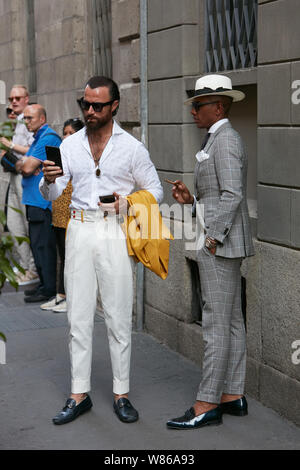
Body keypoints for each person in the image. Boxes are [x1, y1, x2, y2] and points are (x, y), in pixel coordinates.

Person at [40, 76, 163, 425]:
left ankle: (121, 393)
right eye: (85, 104)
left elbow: (156, 190)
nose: (90, 111)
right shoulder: (69, 145)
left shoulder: (132, 147)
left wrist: (127, 203)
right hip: (78, 228)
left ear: (114, 106)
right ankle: (79, 394)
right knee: (77, 315)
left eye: (97, 106)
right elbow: (53, 195)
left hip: (113, 230)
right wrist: (49, 180)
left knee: (118, 316)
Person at [166, 74, 254, 430]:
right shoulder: (217, 138)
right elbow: (219, 195)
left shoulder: (226, 140)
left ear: (218, 106)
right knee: (231, 321)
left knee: (216, 324)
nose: (192, 112)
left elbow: (233, 195)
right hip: (221, 241)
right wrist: (191, 200)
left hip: (219, 244)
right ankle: (233, 395)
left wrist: (212, 238)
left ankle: (206, 404)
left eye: (198, 106)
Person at [15, 104, 61, 303]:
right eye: (24, 118)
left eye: (30, 118)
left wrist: (25, 165)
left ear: (42, 118)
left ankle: (49, 288)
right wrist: (24, 165)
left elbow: (27, 168)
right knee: (36, 245)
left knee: (44, 246)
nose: (26, 122)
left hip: (41, 202)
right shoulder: (36, 139)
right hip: (33, 199)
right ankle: (43, 285)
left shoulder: (48, 137)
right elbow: (24, 166)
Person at [40, 118, 84, 313]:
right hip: (58, 212)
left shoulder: (81, 157)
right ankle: (61, 295)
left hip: (71, 215)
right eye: (64, 133)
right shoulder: (62, 155)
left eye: (71, 133)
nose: (66, 137)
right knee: (61, 255)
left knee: (70, 258)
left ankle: (71, 298)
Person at [0, 85, 38, 286]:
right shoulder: (17, 121)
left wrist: (10, 146)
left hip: (27, 178)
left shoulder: (30, 119)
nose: (13, 101)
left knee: (26, 224)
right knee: (14, 225)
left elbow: (33, 150)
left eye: (17, 98)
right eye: (11, 98)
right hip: (15, 175)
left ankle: (32, 270)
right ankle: (24, 268)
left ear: (26, 99)